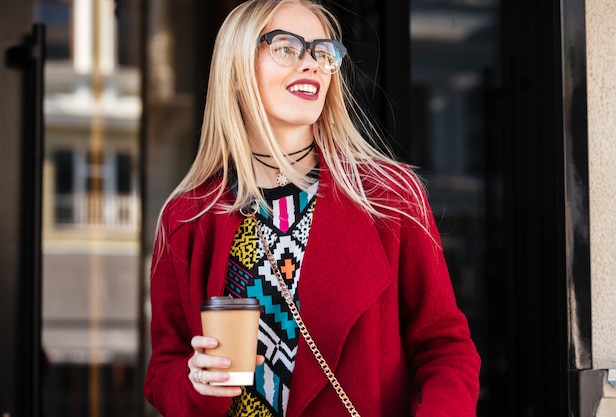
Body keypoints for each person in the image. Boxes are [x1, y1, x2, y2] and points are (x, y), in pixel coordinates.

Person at [143, 0, 481, 416]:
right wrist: (196, 380)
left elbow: (445, 348)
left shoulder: (388, 198)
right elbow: (164, 370)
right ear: (235, 72)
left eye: (323, 52)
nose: (313, 64)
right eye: (286, 47)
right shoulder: (187, 218)